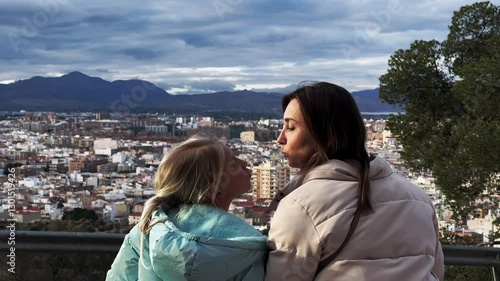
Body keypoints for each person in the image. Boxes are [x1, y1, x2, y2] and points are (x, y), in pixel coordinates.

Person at [265, 82, 444, 281]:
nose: (280, 138)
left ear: (325, 135)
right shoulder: (418, 197)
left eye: (291, 127)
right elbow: (435, 271)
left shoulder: (302, 206)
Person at [106, 135, 268, 281]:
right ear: (213, 188)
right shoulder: (246, 249)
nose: (244, 162)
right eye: (233, 164)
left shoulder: (147, 230)